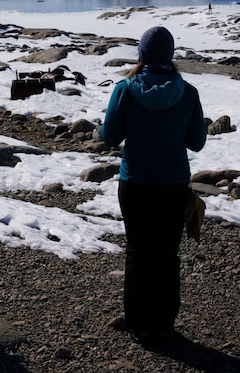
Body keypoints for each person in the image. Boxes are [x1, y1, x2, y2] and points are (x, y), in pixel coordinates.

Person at [101, 25, 207, 345]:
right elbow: (197, 143)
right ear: (170, 55)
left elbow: (109, 137)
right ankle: (163, 324)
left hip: (135, 183)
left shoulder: (125, 89)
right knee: (166, 255)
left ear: (141, 55)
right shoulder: (187, 92)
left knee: (138, 252)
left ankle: (138, 323)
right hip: (173, 184)